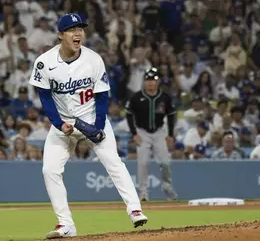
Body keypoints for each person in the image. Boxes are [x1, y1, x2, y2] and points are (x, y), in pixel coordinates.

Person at [29, 13, 147, 239]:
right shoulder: (44, 62)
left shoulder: (94, 59)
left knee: (113, 162)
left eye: (80, 29)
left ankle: (135, 209)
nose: (78, 33)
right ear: (60, 35)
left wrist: (99, 127)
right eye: (72, 29)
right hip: (63, 125)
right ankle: (66, 224)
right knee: (50, 170)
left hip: (92, 119)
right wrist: (58, 123)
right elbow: (45, 98)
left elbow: (102, 96)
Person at [125, 67, 178, 201]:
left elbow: (171, 115)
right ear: (144, 82)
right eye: (148, 80)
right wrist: (134, 133)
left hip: (159, 132)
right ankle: (143, 193)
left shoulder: (164, 97)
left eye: (153, 80)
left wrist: (171, 135)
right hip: (143, 133)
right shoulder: (137, 97)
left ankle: (167, 186)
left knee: (165, 162)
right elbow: (129, 114)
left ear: (158, 81)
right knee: (142, 163)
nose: (150, 83)